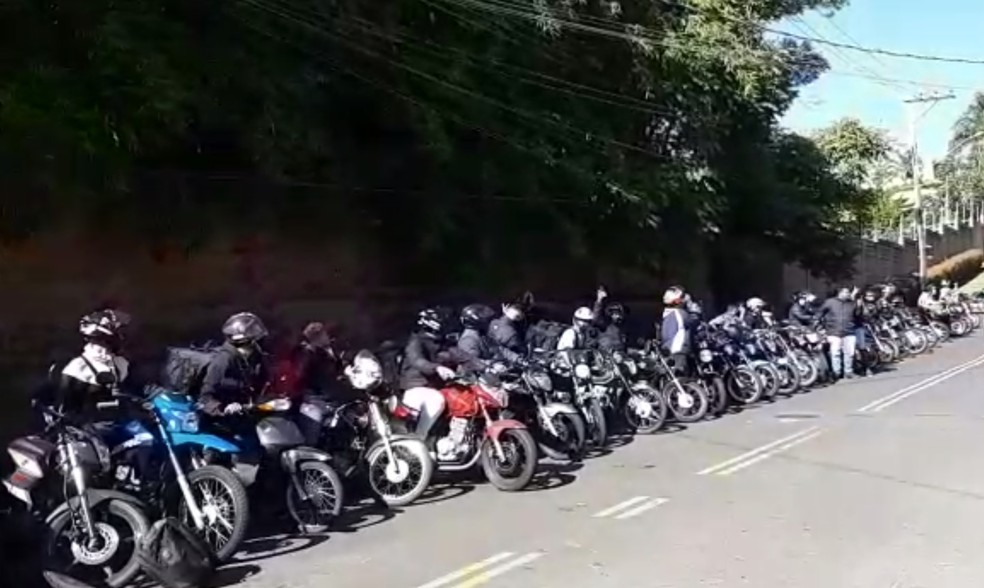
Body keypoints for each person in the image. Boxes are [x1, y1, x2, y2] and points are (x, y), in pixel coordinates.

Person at [53, 309, 152, 487]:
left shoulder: (121, 364)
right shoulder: (77, 368)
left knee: (147, 438)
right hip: (91, 426)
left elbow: (138, 389)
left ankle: (133, 481)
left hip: (121, 421)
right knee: (100, 461)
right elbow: (64, 407)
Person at [399, 308, 458, 441]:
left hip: (435, 386)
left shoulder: (442, 343)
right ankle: (419, 438)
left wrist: (485, 366)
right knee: (436, 400)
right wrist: (437, 368)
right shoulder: (415, 342)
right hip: (415, 387)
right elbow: (418, 361)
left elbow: (461, 355)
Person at [198, 312, 270, 417]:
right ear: (248, 341)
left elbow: (262, 384)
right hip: (223, 419)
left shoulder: (255, 358)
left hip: (247, 412)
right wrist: (224, 409)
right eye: (257, 340)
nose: (261, 343)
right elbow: (205, 397)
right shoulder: (223, 361)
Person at [457, 303, 522, 365]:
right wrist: (493, 364)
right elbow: (472, 362)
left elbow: (498, 349)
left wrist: (517, 358)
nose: (489, 322)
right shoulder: (469, 340)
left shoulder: (483, 334)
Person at [816, 287, 858, 379]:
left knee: (849, 353)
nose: (848, 294)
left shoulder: (852, 304)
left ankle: (848, 371)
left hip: (849, 331)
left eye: (849, 293)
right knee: (835, 353)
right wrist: (820, 326)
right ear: (840, 293)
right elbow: (819, 313)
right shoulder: (830, 302)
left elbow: (857, 315)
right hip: (833, 331)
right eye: (846, 292)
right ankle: (836, 372)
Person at [660, 286, 692, 372]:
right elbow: (693, 321)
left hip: (668, 349)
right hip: (678, 349)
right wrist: (692, 307)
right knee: (680, 375)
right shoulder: (681, 313)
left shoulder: (667, 314)